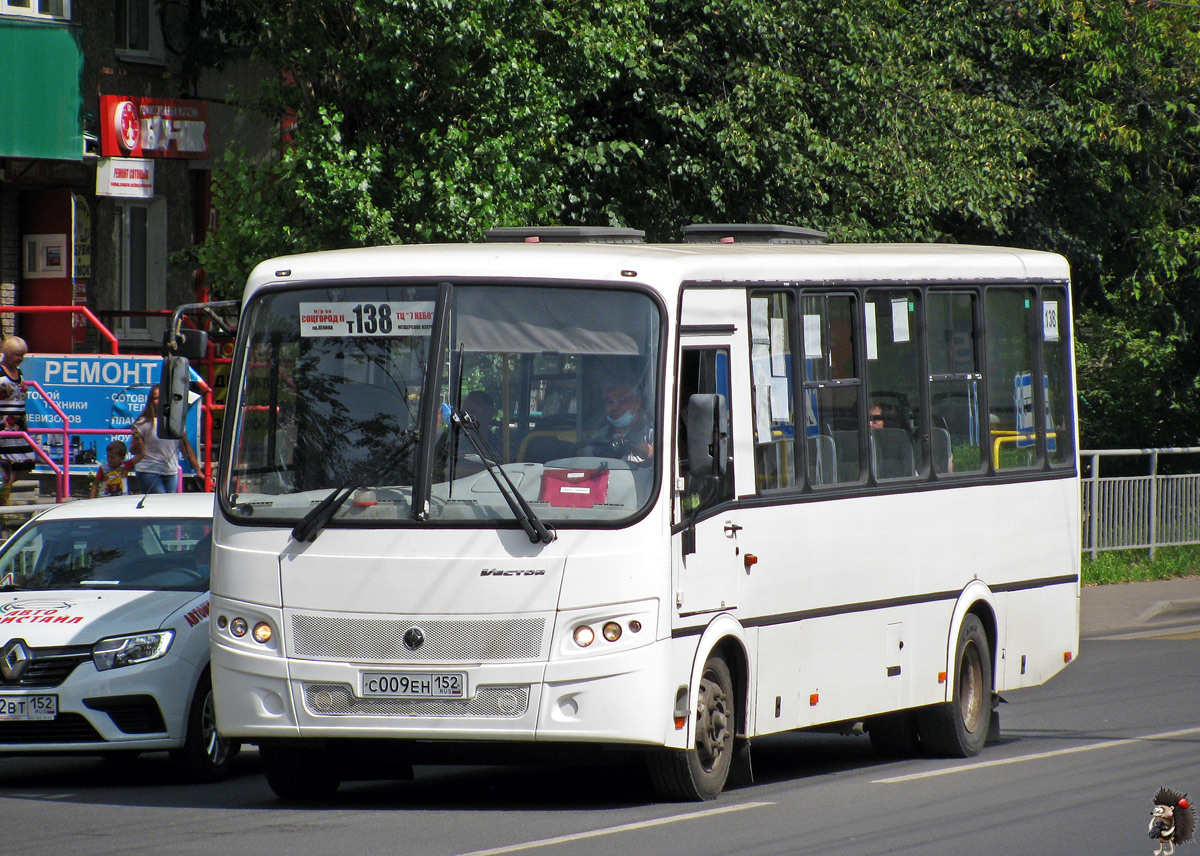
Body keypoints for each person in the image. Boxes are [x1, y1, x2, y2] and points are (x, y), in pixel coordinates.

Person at [132, 385, 202, 493]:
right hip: (149, 471)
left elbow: (186, 448)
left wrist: (198, 470)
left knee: (168, 505)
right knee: (159, 503)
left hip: (171, 473)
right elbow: (132, 450)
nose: (160, 401)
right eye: (156, 398)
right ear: (151, 401)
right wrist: (138, 445)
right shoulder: (143, 423)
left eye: (163, 398)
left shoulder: (176, 423)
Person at [579, 379, 654, 466]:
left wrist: (652, 454)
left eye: (622, 401)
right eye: (609, 402)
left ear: (637, 402)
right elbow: (588, 467)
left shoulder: (651, 435)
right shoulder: (599, 438)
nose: (614, 407)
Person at [0, 336, 37, 505]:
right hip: (4, 425)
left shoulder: (19, 373)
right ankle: (3, 497)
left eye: (22, 355)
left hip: (20, 425)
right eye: (17, 355)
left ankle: (4, 488)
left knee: (26, 463)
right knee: (6, 464)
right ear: (7, 353)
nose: (20, 359)